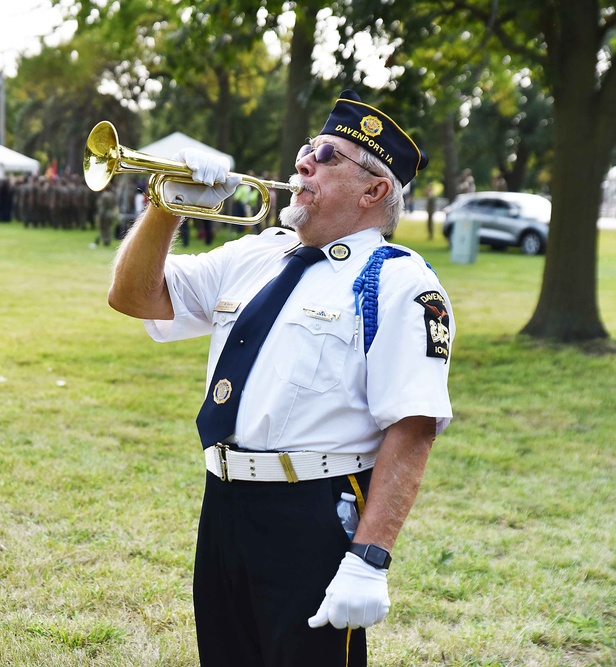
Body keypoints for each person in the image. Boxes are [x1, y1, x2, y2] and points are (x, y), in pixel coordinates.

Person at [107, 89, 454, 667]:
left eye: (327, 155)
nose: (304, 162)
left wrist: (369, 559)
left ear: (375, 191)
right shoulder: (259, 253)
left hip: (313, 513)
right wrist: (167, 205)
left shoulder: (400, 284)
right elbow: (134, 295)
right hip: (224, 501)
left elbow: (413, 427)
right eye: (306, 149)